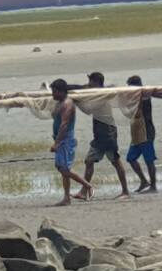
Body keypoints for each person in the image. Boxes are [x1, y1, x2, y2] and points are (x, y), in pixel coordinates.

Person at [79, 71, 131, 200]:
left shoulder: (103, 95)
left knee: (113, 161)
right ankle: (84, 191)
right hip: (101, 131)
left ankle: (125, 191)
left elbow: (88, 110)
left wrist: (76, 101)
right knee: (91, 161)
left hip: (107, 131)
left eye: (90, 82)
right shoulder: (99, 93)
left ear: (96, 82)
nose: (88, 84)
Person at [47, 78, 92, 206]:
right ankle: (66, 198)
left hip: (65, 139)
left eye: (54, 91)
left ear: (61, 92)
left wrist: (56, 143)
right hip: (60, 139)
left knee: (63, 169)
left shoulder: (68, 104)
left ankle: (87, 186)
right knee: (63, 169)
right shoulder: (59, 102)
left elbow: (64, 124)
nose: (53, 94)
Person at [125, 74, 159, 193]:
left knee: (149, 160)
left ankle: (153, 186)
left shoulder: (144, 96)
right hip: (136, 133)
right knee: (130, 158)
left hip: (146, 132)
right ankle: (144, 181)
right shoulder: (133, 97)